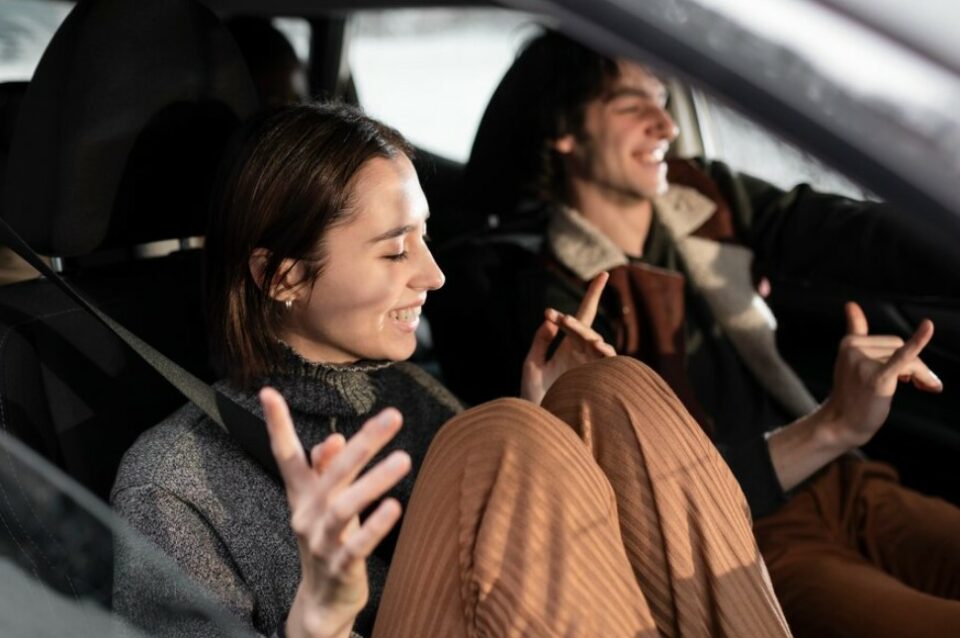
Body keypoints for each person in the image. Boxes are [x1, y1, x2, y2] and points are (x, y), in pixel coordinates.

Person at [111, 103, 793, 638]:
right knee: (499, 437)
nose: (433, 275)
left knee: (611, 390)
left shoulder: (409, 394)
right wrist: (318, 622)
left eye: (425, 236)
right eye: (392, 252)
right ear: (283, 276)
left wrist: (549, 433)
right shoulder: (173, 482)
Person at [458, 30, 960, 638]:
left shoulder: (705, 195)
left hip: (846, 481)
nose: (665, 127)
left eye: (663, 101)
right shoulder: (555, 297)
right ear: (565, 132)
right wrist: (834, 425)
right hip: (743, 537)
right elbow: (645, 510)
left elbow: (854, 237)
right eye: (631, 105)